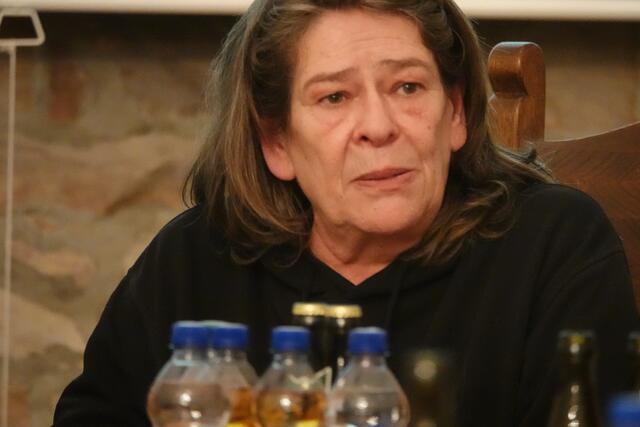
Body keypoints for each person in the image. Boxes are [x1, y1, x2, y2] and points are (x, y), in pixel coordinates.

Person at [53, 0, 639, 426]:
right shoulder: (196, 258)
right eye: (334, 97)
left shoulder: (554, 244)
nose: (379, 127)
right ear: (277, 142)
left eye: (408, 87)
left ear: (456, 112)